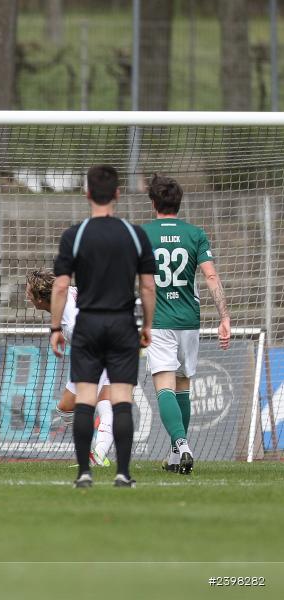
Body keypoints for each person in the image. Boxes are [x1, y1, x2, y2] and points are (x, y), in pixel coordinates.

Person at [51, 165, 156, 488]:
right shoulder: (135, 234)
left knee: (85, 399)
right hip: (124, 322)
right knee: (121, 400)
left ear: (87, 194)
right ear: (117, 194)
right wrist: (148, 324)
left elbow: (59, 286)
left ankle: (84, 473)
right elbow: (148, 286)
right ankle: (123, 473)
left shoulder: (75, 234)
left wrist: (55, 327)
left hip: (88, 323)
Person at [142, 174, 231, 475]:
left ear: (153, 202)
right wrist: (224, 317)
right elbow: (211, 277)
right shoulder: (195, 234)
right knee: (182, 385)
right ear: (178, 203)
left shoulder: (143, 234)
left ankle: (182, 445)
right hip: (189, 322)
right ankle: (174, 454)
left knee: (164, 386)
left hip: (159, 321)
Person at [25, 269, 113, 467]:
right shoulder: (66, 296)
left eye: (29, 292)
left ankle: (96, 455)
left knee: (96, 403)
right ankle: (95, 455)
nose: (26, 296)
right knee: (72, 407)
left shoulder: (70, 320)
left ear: (40, 298)